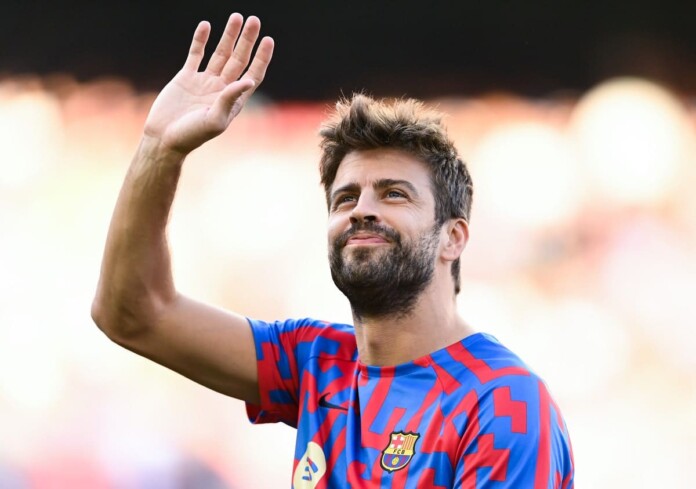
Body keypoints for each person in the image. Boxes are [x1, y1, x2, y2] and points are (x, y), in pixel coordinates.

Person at [92, 13, 574, 489]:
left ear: (454, 237)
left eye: (393, 194)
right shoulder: (317, 362)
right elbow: (133, 314)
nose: (362, 210)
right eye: (345, 198)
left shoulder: (501, 402)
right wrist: (160, 149)